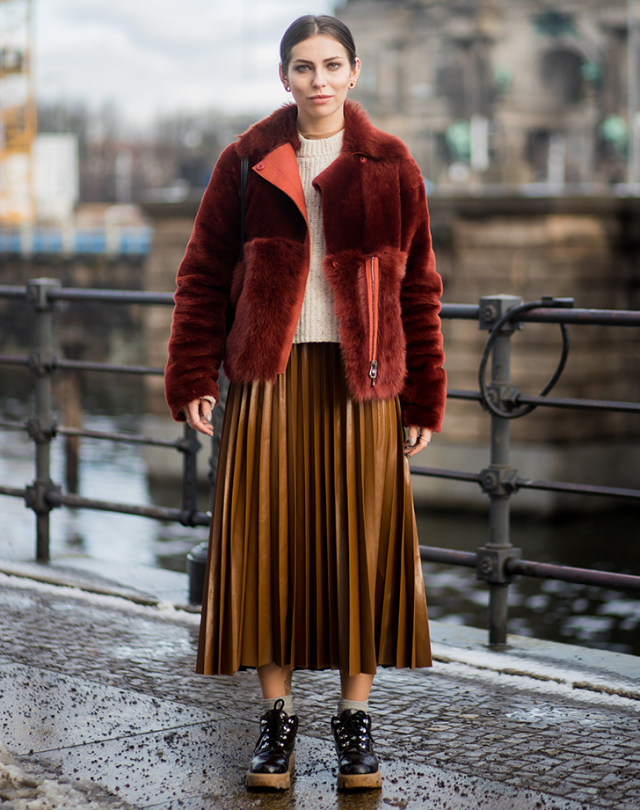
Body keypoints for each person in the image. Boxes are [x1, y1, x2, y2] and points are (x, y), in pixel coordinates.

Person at [165, 14, 446, 792]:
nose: (317, 81)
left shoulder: (393, 164)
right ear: (282, 77)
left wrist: (424, 393)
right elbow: (202, 275)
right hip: (268, 381)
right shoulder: (247, 161)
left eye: (331, 65)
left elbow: (419, 290)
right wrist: (193, 375)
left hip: (363, 388)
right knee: (266, 549)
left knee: (359, 548)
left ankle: (354, 721)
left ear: (356, 71)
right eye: (302, 67)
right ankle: (276, 720)